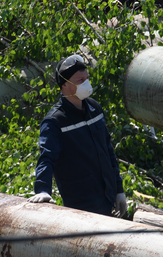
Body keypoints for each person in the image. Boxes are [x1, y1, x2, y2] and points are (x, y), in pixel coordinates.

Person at [28, 54, 127, 216]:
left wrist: (118, 189)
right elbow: (46, 158)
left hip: (107, 197)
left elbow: (108, 150)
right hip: (81, 204)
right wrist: (43, 189)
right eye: (81, 80)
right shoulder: (55, 121)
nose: (86, 83)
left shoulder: (94, 108)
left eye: (87, 78)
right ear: (65, 85)